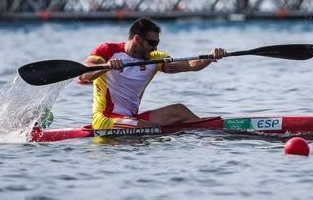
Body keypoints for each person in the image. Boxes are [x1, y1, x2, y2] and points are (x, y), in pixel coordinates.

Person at [78, 17, 227, 130]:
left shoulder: (154, 58)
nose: (155, 48)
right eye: (152, 43)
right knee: (148, 128)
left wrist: (211, 56)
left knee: (179, 111)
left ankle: (212, 132)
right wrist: (106, 67)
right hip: (104, 119)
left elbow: (190, 65)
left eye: (157, 43)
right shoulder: (107, 51)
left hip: (131, 119)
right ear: (137, 39)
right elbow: (84, 74)